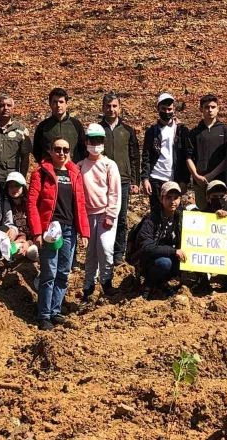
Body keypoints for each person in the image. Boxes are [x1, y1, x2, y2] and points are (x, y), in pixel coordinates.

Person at [27, 137, 90, 331]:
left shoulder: (74, 173)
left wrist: (84, 232)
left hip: (69, 229)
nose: (61, 153)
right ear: (50, 151)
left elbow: (80, 203)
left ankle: (55, 310)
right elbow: (32, 204)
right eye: (57, 149)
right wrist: (37, 231)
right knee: (49, 272)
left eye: (65, 149)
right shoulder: (40, 173)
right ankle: (44, 315)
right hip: (50, 229)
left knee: (63, 272)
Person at [80, 123, 121, 300]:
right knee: (90, 252)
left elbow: (114, 191)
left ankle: (106, 281)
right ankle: (88, 285)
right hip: (88, 215)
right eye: (92, 140)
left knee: (105, 248)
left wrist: (110, 214)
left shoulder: (109, 165)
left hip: (105, 213)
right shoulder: (80, 165)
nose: (95, 144)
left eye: (98, 140)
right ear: (86, 141)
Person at [99, 92, 140, 264]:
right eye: (108, 106)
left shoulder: (127, 131)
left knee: (121, 218)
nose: (111, 109)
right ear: (103, 108)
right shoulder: (97, 130)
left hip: (123, 180)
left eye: (114, 106)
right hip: (101, 180)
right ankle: (103, 252)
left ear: (119, 108)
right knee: (102, 217)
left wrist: (135, 181)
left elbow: (134, 156)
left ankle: (118, 254)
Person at [141, 93, 190, 214]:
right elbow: (146, 156)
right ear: (158, 108)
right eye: (163, 109)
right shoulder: (151, 131)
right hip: (156, 178)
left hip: (174, 179)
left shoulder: (181, 130)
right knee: (156, 213)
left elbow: (186, 156)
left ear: (174, 109)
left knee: (175, 213)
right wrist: (145, 179)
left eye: (169, 109)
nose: (167, 112)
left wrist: (184, 180)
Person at [138, 181, 185, 299]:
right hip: (151, 260)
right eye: (168, 197)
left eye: (176, 198)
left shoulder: (182, 217)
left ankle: (163, 282)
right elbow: (146, 247)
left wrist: (219, 214)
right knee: (164, 263)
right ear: (161, 199)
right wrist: (173, 251)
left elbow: (202, 222)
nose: (172, 201)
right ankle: (149, 283)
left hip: (174, 257)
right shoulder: (151, 219)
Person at [187, 94, 227, 209]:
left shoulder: (225, 130)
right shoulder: (194, 132)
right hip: (200, 182)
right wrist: (196, 176)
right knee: (202, 212)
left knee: (221, 212)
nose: (210, 110)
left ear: (218, 109)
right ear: (201, 109)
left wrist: (212, 175)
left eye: (213, 107)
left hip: (220, 181)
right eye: (206, 107)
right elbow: (188, 157)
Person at [0, 94, 32, 183]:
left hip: (10, 179)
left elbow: (25, 158)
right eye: (2, 105)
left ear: (13, 108)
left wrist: (22, 180)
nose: (6, 108)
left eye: (9, 105)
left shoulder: (21, 130)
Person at [32, 87, 85, 163]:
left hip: (72, 167)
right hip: (49, 168)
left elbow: (83, 148)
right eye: (55, 102)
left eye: (61, 102)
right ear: (50, 104)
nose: (58, 105)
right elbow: (37, 150)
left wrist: (76, 164)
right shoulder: (43, 126)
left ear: (66, 104)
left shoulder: (76, 124)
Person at [3, 172, 36, 261]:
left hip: (33, 239)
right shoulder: (5, 205)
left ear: (23, 187)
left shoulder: (30, 204)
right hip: (17, 240)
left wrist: (28, 243)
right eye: (11, 186)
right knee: (13, 251)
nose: (14, 189)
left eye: (17, 186)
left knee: (33, 252)